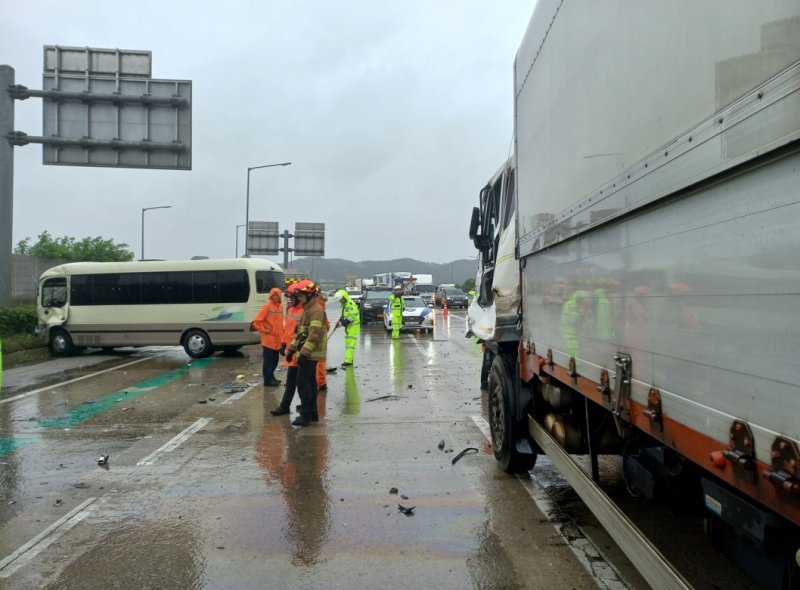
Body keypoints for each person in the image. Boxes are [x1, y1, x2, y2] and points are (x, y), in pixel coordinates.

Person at [286, 279, 327, 427]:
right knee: (309, 382)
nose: (299, 298)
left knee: (302, 382)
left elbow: (314, 335)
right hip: (308, 352)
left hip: (311, 354)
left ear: (310, 295)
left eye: (302, 296)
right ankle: (312, 413)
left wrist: (303, 353)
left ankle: (306, 415)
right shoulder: (307, 310)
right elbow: (300, 334)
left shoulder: (316, 311)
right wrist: (291, 349)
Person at [270, 283, 303, 416]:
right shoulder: (290, 310)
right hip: (292, 353)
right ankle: (286, 406)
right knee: (292, 381)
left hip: (300, 353)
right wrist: (283, 344)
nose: (289, 300)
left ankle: (302, 406)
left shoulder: (304, 312)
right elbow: (287, 330)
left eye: (291, 297)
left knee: (301, 382)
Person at [253, 287, 284, 386]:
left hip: (277, 340)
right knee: (268, 362)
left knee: (275, 361)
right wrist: (264, 330)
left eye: (277, 296)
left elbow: (281, 323)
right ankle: (267, 380)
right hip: (268, 340)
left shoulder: (280, 307)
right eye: (273, 296)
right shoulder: (267, 306)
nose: (275, 298)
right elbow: (257, 321)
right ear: (271, 296)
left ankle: (271, 376)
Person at [333, 288, 360, 367]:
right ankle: (349, 359)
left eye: (341, 300)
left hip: (353, 327)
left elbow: (352, 317)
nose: (340, 301)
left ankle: (348, 361)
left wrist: (342, 323)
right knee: (348, 344)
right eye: (340, 300)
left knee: (350, 345)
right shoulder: (344, 305)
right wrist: (340, 320)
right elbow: (344, 315)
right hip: (349, 327)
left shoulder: (351, 304)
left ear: (344, 297)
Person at [315, 287, 331, 391]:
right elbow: (327, 326)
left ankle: (317, 384)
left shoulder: (315, 309)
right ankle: (322, 383)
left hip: (316, 343)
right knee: (321, 363)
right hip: (322, 343)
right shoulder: (322, 307)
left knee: (316, 365)